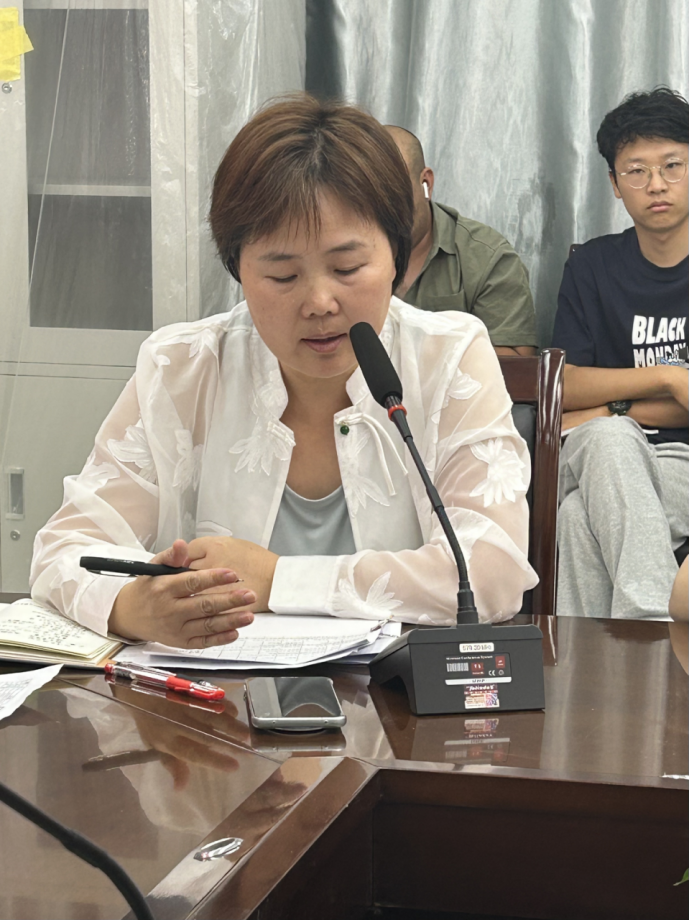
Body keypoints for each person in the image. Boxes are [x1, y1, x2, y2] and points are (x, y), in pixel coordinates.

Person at [30, 96, 537, 648]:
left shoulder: (450, 356)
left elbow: (492, 573)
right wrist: (133, 607)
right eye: (282, 276)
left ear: (397, 256)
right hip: (216, 697)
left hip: (396, 697)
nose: (319, 302)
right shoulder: (183, 367)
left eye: (347, 267)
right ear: (238, 271)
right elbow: (65, 549)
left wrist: (276, 580)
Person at [552, 87, 689, 619]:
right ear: (614, 184)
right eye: (636, 171)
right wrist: (669, 378)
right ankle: (653, 631)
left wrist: (610, 409)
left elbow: (585, 402)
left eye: (672, 165)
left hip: (681, 463)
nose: (656, 184)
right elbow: (563, 385)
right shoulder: (591, 266)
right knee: (608, 442)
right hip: (598, 451)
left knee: (576, 518)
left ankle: (584, 671)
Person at [384, 125, 538, 356]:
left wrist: (420, 341)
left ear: (426, 183)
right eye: (369, 192)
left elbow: (518, 366)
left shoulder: (487, 258)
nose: (383, 206)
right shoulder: (340, 253)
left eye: (394, 190)